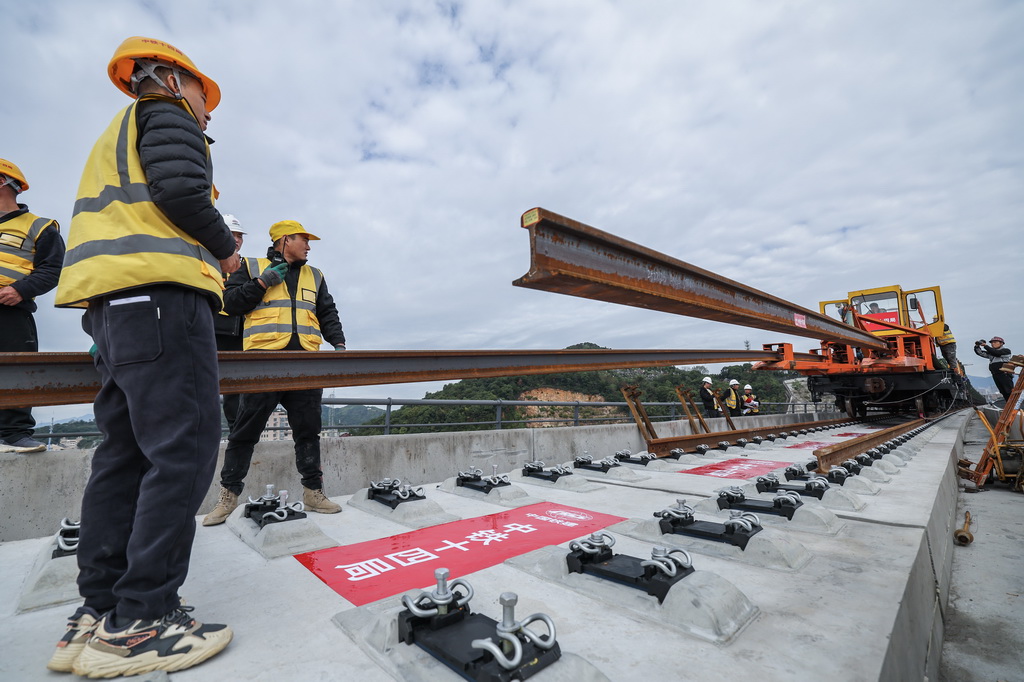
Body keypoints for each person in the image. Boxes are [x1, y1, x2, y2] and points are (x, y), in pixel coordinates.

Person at [50, 37, 237, 677]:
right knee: (182, 453)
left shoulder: (117, 133)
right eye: (204, 98)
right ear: (173, 79)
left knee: (124, 455)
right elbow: (182, 192)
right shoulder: (166, 115)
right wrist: (228, 253)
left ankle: (98, 612)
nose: (207, 114)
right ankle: (140, 622)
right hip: (160, 299)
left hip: (112, 310)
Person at [202, 219, 347, 526]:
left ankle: (313, 492)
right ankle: (228, 497)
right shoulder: (253, 267)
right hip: (264, 364)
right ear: (284, 241)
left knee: (308, 431)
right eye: (303, 240)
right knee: (244, 433)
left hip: (305, 364)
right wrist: (262, 283)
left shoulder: (316, 275)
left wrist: (339, 344)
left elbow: (327, 311)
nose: (308, 246)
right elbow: (229, 303)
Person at [0, 158, 65, 454]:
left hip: (12, 310)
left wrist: (20, 290)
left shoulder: (39, 227)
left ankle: (14, 434)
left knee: (17, 368)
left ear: (4, 182)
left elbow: (51, 269)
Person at [214, 214, 247, 432]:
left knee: (236, 389)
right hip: (211, 332)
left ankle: (237, 432)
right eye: (231, 234)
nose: (236, 239)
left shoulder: (247, 266)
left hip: (240, 336)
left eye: (239, 235)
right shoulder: (206, 262)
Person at [974, 337, 1014, 401]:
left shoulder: (1006, 351)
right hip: (995, 374)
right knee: (1003, 391)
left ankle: (1014, 406)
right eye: (992, 343)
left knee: (1009, 391)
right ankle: (1009, 407)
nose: (993, 344)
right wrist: (977, 346)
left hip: (1004, 374)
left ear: (1001, 343)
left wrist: (985, 346)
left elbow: (997, 353)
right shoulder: (991, 353)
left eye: (995, 342)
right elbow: (980, 353)